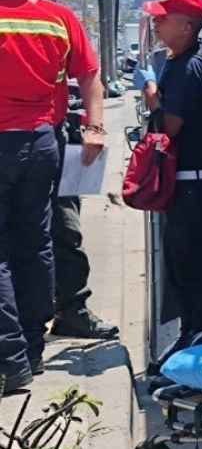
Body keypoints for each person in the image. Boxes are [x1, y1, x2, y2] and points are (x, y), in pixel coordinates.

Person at [0, 0, 104, 394]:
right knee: (35, 244)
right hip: (44, 142)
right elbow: (90, 73)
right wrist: (96, 127)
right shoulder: (58, 18)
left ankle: (10, 359)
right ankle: (33, 348)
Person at [142, 0, 202, 372]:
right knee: (196, 265)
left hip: (192, 185)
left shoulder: (185, 66)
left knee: (190, 267)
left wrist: (151, 95)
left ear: (187, 25)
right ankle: (195, 337)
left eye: (164, 18)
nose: (157, 23)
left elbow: (169, 127)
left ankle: (198, 342)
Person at [48, 84, 119, 340]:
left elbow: (90, 76)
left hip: (52, 136)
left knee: (66, 230)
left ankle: (71, 312)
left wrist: (95, 128)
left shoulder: (65, 41)